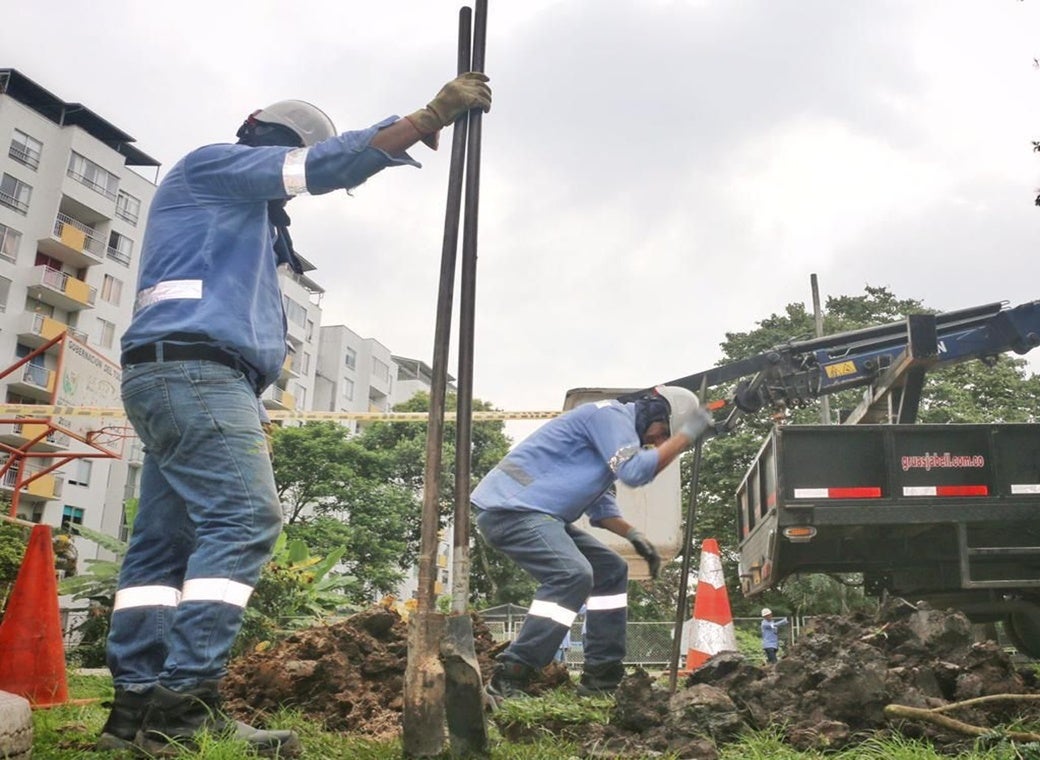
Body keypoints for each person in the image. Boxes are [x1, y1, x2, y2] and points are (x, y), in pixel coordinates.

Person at [96, 74, 492, 756]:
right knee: (245, 523)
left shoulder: (233, 221)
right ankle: (182, 708)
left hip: (178, 376)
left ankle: (131, 715)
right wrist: (425, 116)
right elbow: (319, 167)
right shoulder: (215, 166)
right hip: (196, 373)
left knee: (162, 549)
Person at [473, 385, 714, 704]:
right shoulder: (610, 416)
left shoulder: (613, 432)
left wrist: (634, 537)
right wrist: (686, 436)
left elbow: (600, 507)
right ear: (657, 413)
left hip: (538, 515)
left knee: (611, 569)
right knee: (572, 575)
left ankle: (602, 677)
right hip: (511, 510)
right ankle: (510, 676)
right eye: (662, 435)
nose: (656, 444)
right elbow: (635, 472)